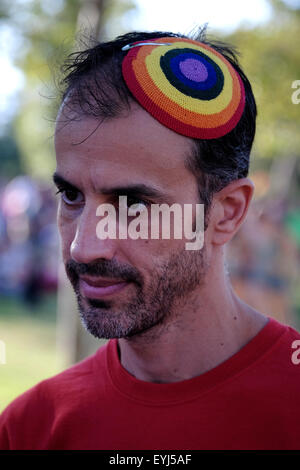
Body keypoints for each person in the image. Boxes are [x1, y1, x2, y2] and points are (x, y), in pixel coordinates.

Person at [1, 27, 300, 451]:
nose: (84, 247)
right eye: (71, 195)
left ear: (226, 212)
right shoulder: (31, 429)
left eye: (132, 204)